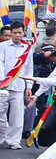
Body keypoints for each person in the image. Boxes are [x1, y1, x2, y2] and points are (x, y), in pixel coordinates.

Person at [0, 20, 35, 148]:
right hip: (3, 85)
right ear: (11, 33)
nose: (17, 35)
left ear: (24, 33)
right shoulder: (3, 46)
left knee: (17, 115)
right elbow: (0, 64)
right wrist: (3, 81)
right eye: (14, 33)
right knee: (1, 113)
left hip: (19, 86)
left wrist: (29, 86)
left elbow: (29, 69)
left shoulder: (27, 49)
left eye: (19, 33)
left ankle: (14, 140)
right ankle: (1, 135)